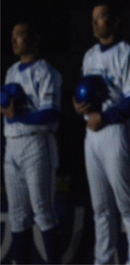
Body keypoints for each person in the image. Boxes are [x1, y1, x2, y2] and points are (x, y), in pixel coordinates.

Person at [72, 4, 130, 264]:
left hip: (116, 131)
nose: (95, 23)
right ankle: (102, 261)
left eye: (101, 18)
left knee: (127, 205)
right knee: (100, 208)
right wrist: (78, 105)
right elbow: (85, 92)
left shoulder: (129, 53)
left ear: (115, 22)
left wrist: (104, 117)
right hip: (91, 133)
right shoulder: (89, 55)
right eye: (92, 18)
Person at [1, 21, 62, 264]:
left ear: (34, 40)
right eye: (12, 36)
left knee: (43, 212)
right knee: (17, 216)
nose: (14, 41)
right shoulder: (11, 71)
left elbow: (50, 113)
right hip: (12, 143)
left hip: (37, 143)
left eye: (19, 36)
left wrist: (18, 116)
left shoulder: (47, 71)